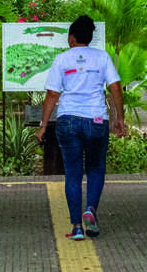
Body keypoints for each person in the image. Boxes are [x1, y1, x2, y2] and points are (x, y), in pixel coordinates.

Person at [35, 14, 126, 241]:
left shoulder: (62, 60)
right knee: (96, 168)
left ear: (71, 38)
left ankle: (76, 227)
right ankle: (91, 210)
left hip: (68, 121)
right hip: (96, 120)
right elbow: (115, 87)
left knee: (73, 173)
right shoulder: (102, 57)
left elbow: (52, 95)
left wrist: (43, 125)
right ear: (90, 37)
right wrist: (119, 118)